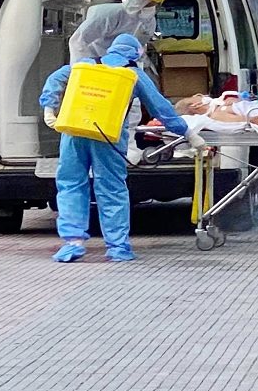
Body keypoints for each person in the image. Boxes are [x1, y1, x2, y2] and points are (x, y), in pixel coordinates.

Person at [40, 33, 203, 263]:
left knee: (70, 184)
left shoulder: (87, 64)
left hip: (74, 132)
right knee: (112, 188)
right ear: (137, 53)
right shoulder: (134, 75)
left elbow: (56, 78)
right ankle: (117, 247)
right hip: (108, 137)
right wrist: (188, 134)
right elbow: (161, 109)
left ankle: (72, 243)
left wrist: (49, 107)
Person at [69, 0, 165, 165]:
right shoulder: (107, 14)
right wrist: (83, 73)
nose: (151, 7)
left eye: (155, 4)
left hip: (124, 70)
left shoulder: (148, 21)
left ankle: (128, 149)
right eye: (149, 2)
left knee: (131, 108)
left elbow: (139, 48)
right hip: (96, 68)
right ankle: (98, 153)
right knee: (95, 111)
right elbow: (78, 42)